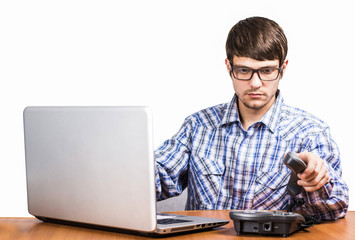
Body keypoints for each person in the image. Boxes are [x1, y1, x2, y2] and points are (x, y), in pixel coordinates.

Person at [154, 16, 348, 220]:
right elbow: (159, 177)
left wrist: (317, 181)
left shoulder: (310, 132)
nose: (255, 83)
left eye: (266, 71)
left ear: (283, 68)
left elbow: (335, 209)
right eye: (244, 70)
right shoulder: (198, 125)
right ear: (229, 67)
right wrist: (128, 168)